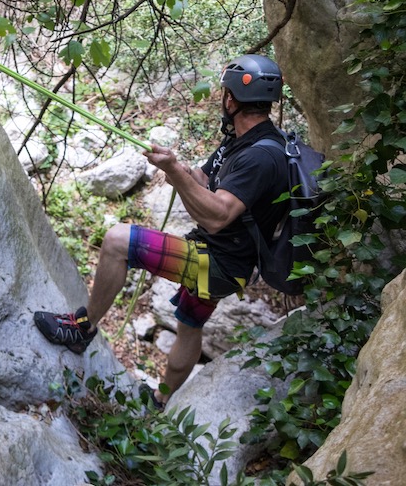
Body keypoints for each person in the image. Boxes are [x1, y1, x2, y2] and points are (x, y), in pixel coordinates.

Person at [34, 54, 290, 408]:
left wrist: (175, 173)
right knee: (189, 325)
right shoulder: (243, 139)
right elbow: (206, 180)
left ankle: (81, 328)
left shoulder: (261, 156)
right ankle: (159, 400)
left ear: (230, 99)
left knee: (117, 241)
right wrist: (178, 166)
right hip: (225, 262)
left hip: (215, 263)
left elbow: (218, 215)